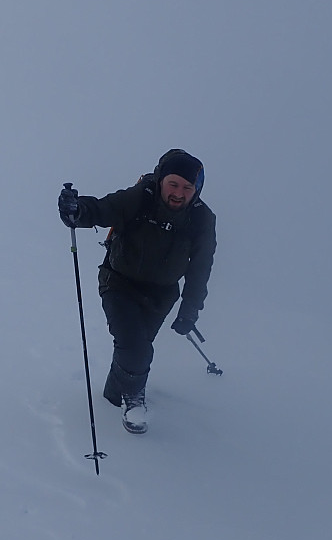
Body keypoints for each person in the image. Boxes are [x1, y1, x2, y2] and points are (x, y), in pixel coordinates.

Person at [58, 149, 217, 434]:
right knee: (135, 346)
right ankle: (134, 401)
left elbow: (201, 268)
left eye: (187, 187)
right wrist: (77, 210)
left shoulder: (202, 219)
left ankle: (113, 397)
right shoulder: (141, 196)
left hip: (161, 296)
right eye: (173, 183)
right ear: (161, 180)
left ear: (197, 190)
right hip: (118, 282)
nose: (179, 193)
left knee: (135, 347)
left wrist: (190, 308)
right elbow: (106, 208)